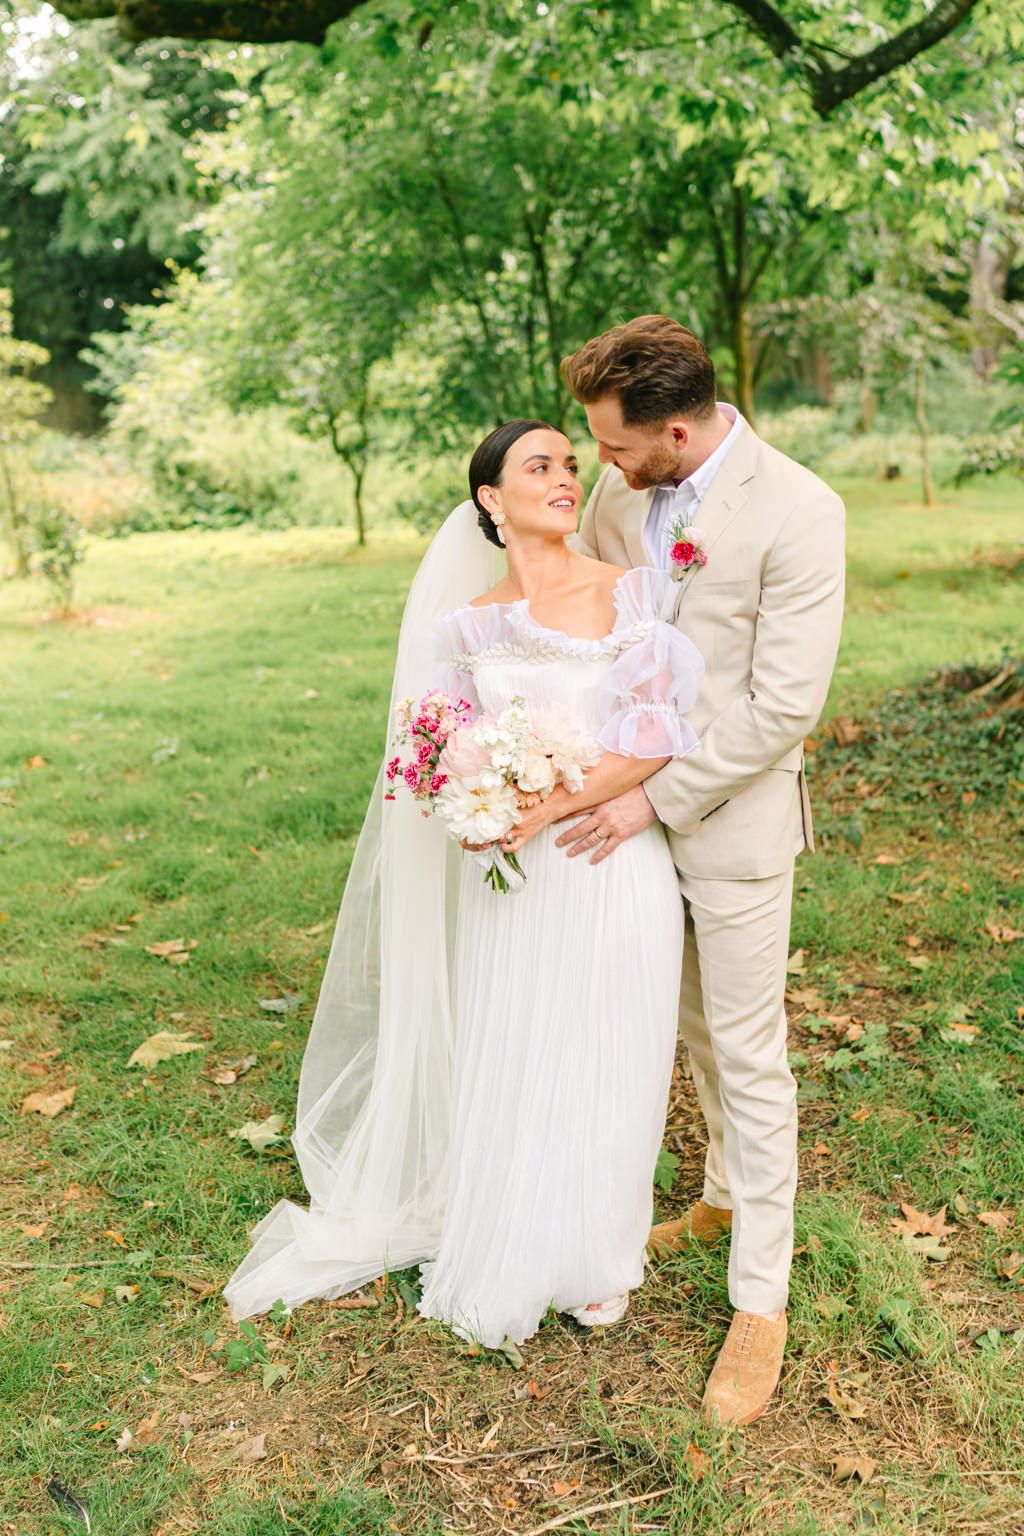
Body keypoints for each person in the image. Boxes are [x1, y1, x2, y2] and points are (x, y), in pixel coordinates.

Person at [224, 419, 704, 1347]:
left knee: (615, 1046)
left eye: (572, 464)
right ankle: (514, 1232)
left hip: (607, 857)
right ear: (492, 498)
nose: (567, 479)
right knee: (517, 1041)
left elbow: (655, 737)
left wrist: (544, 808)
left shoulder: (631, 592)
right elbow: (435, 752)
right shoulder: (467, 625)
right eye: (542, 467)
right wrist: (481, 805)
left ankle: (598, 1255)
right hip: (514, 876)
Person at [558, 316, 845, 1426]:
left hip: (728, 826)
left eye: (620, 448)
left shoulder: (799, 509)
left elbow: (784, 707)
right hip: (625, 821)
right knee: (682, 1028)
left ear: (675, 430)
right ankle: (723, 1197)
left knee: (746, 1046)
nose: (606, 469)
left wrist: (655, 798)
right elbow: (585, 610)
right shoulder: (621, 494)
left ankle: (760, 1300)